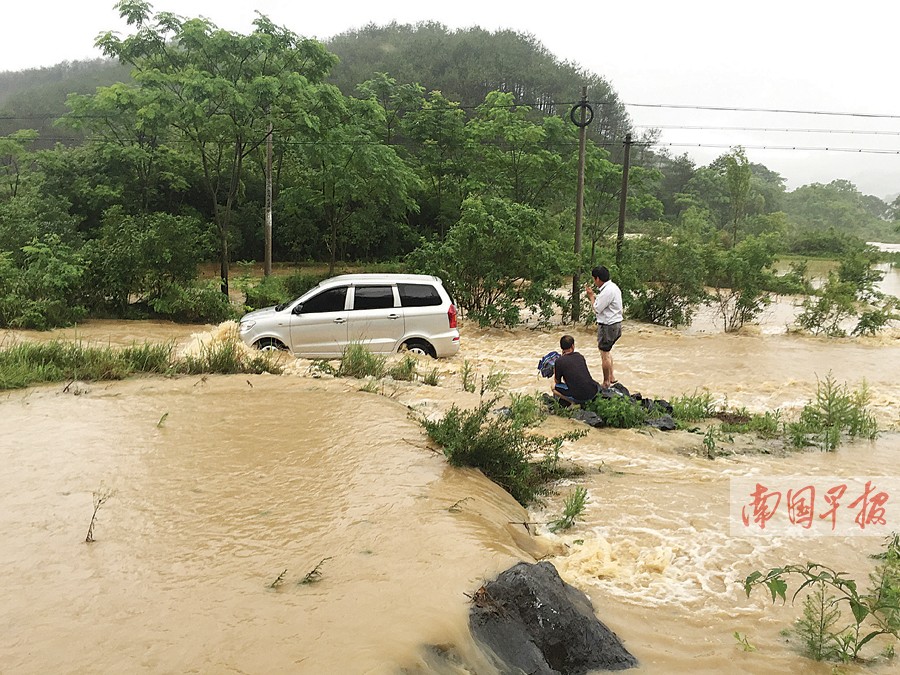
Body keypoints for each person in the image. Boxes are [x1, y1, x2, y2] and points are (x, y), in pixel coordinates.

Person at [584, 265, 623, 389]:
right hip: (616, 324)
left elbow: (597, 308)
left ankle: (606, 382)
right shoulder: (613, 287)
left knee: (604, 354)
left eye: (594, 279)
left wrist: (591, 296)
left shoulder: (607, 291)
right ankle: (611, 376)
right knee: (607, 351)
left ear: (597, 278)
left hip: (608, 326)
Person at [552, 334, 600, 406]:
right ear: (572, 346)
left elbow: (557, 381)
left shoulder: (559, 361)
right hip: (593, 392)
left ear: (561, 347)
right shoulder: (580, 356)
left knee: (553, 387)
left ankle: (572, 403)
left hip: (579, 397)